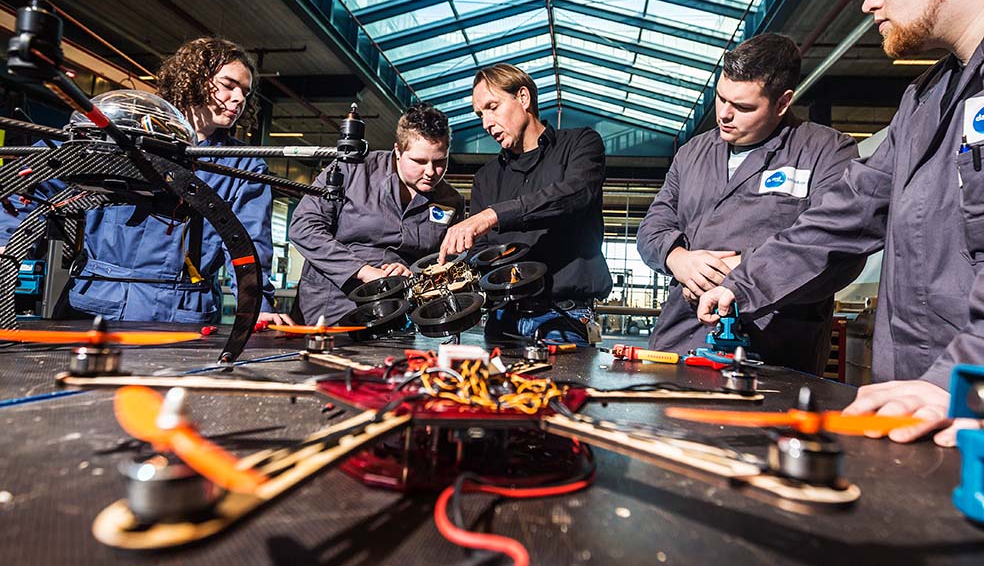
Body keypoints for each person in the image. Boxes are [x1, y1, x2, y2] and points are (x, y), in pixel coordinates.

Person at [697, 0, 984, 446]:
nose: (869, 0)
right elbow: (846, 216)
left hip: (959, 401)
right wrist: (744, 282)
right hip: (916, 408)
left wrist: (961, 379)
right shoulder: (922, 103)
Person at [0, 37, 292, 325]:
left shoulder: (244, 163)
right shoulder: (119, 132)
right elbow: (28, 183)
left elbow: (251, 242)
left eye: (245, 93)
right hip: (94, 305)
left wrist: (258, 306)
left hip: (184, 314)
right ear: (196, 79)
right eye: (228, 85)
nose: (238, 98)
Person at [637, 33, 860, 374]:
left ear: (783, 102)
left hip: (775, 345)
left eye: (742, 107)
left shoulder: (826, 152)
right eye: (721, 98)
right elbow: (652, 227)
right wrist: (677, 258)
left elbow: (837, 246)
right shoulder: (692, 153)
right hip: (682, 338)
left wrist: (743, 269)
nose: (724, 115)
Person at [438, 63, 612, 345]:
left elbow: (575, 194)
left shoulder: (581, 143)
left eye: (492, 107)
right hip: (501, 321)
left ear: (523, 97)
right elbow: (481, 251)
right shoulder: (486, 177)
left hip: (563, 318)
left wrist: (494, 215)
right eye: (480, 114)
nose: (485, 123)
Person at [290, 103, 464, 325]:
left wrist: (411, 273)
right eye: (419, 162)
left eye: (440, 161)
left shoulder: (451, 201)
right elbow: (303, 227)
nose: (430, 172)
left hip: (397, 313)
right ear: (398, 151)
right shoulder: (351, 169)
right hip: (332, 307)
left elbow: (444, 264)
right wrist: (362, 270)